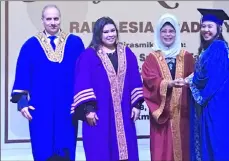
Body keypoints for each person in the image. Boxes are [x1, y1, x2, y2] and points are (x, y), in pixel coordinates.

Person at [10, 4, 85, 161]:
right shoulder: (30, 45)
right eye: (48, 19)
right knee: (42, 150)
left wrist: (80, 102)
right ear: (42, 20)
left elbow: (83, 75)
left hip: (67, 108)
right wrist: (23, 102)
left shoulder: (75, 43)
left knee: (66, 150)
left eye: (56, 18)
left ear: (60, 19)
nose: (52, 22)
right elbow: (23, 74)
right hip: (40, 108)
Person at [70, 16, 143, 161]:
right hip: (99, 114)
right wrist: (88, 109)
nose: (110, 35)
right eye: (106, 32)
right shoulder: (89, 56)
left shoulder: (127, 53)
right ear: (98, 34)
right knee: (100, 150)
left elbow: (135, 78)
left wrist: (137, 105)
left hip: (124, 113)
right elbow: (83, 82)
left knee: (126, 150)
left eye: (113, 31)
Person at [188, 8, 229, 161]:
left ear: (219, 28)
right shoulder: (212, 48)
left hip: (216, 107)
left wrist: (189, 81)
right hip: (217, 107)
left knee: (216, 148)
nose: (206, 30)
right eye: (203, 26)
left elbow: (206, 79)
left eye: (210, 26)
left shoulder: (217, 48)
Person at [141, 13, 194, 161]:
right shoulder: (151, 58)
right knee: (161, 153)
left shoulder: (187, 57)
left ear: (177, 33)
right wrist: (167, 84)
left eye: (171, 31)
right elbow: (149, 82)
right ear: (158, 33)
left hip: (183, 116)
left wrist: (189, 82)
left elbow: (195, 80)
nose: (168, 34)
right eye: (164, 31)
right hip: (162, 119)